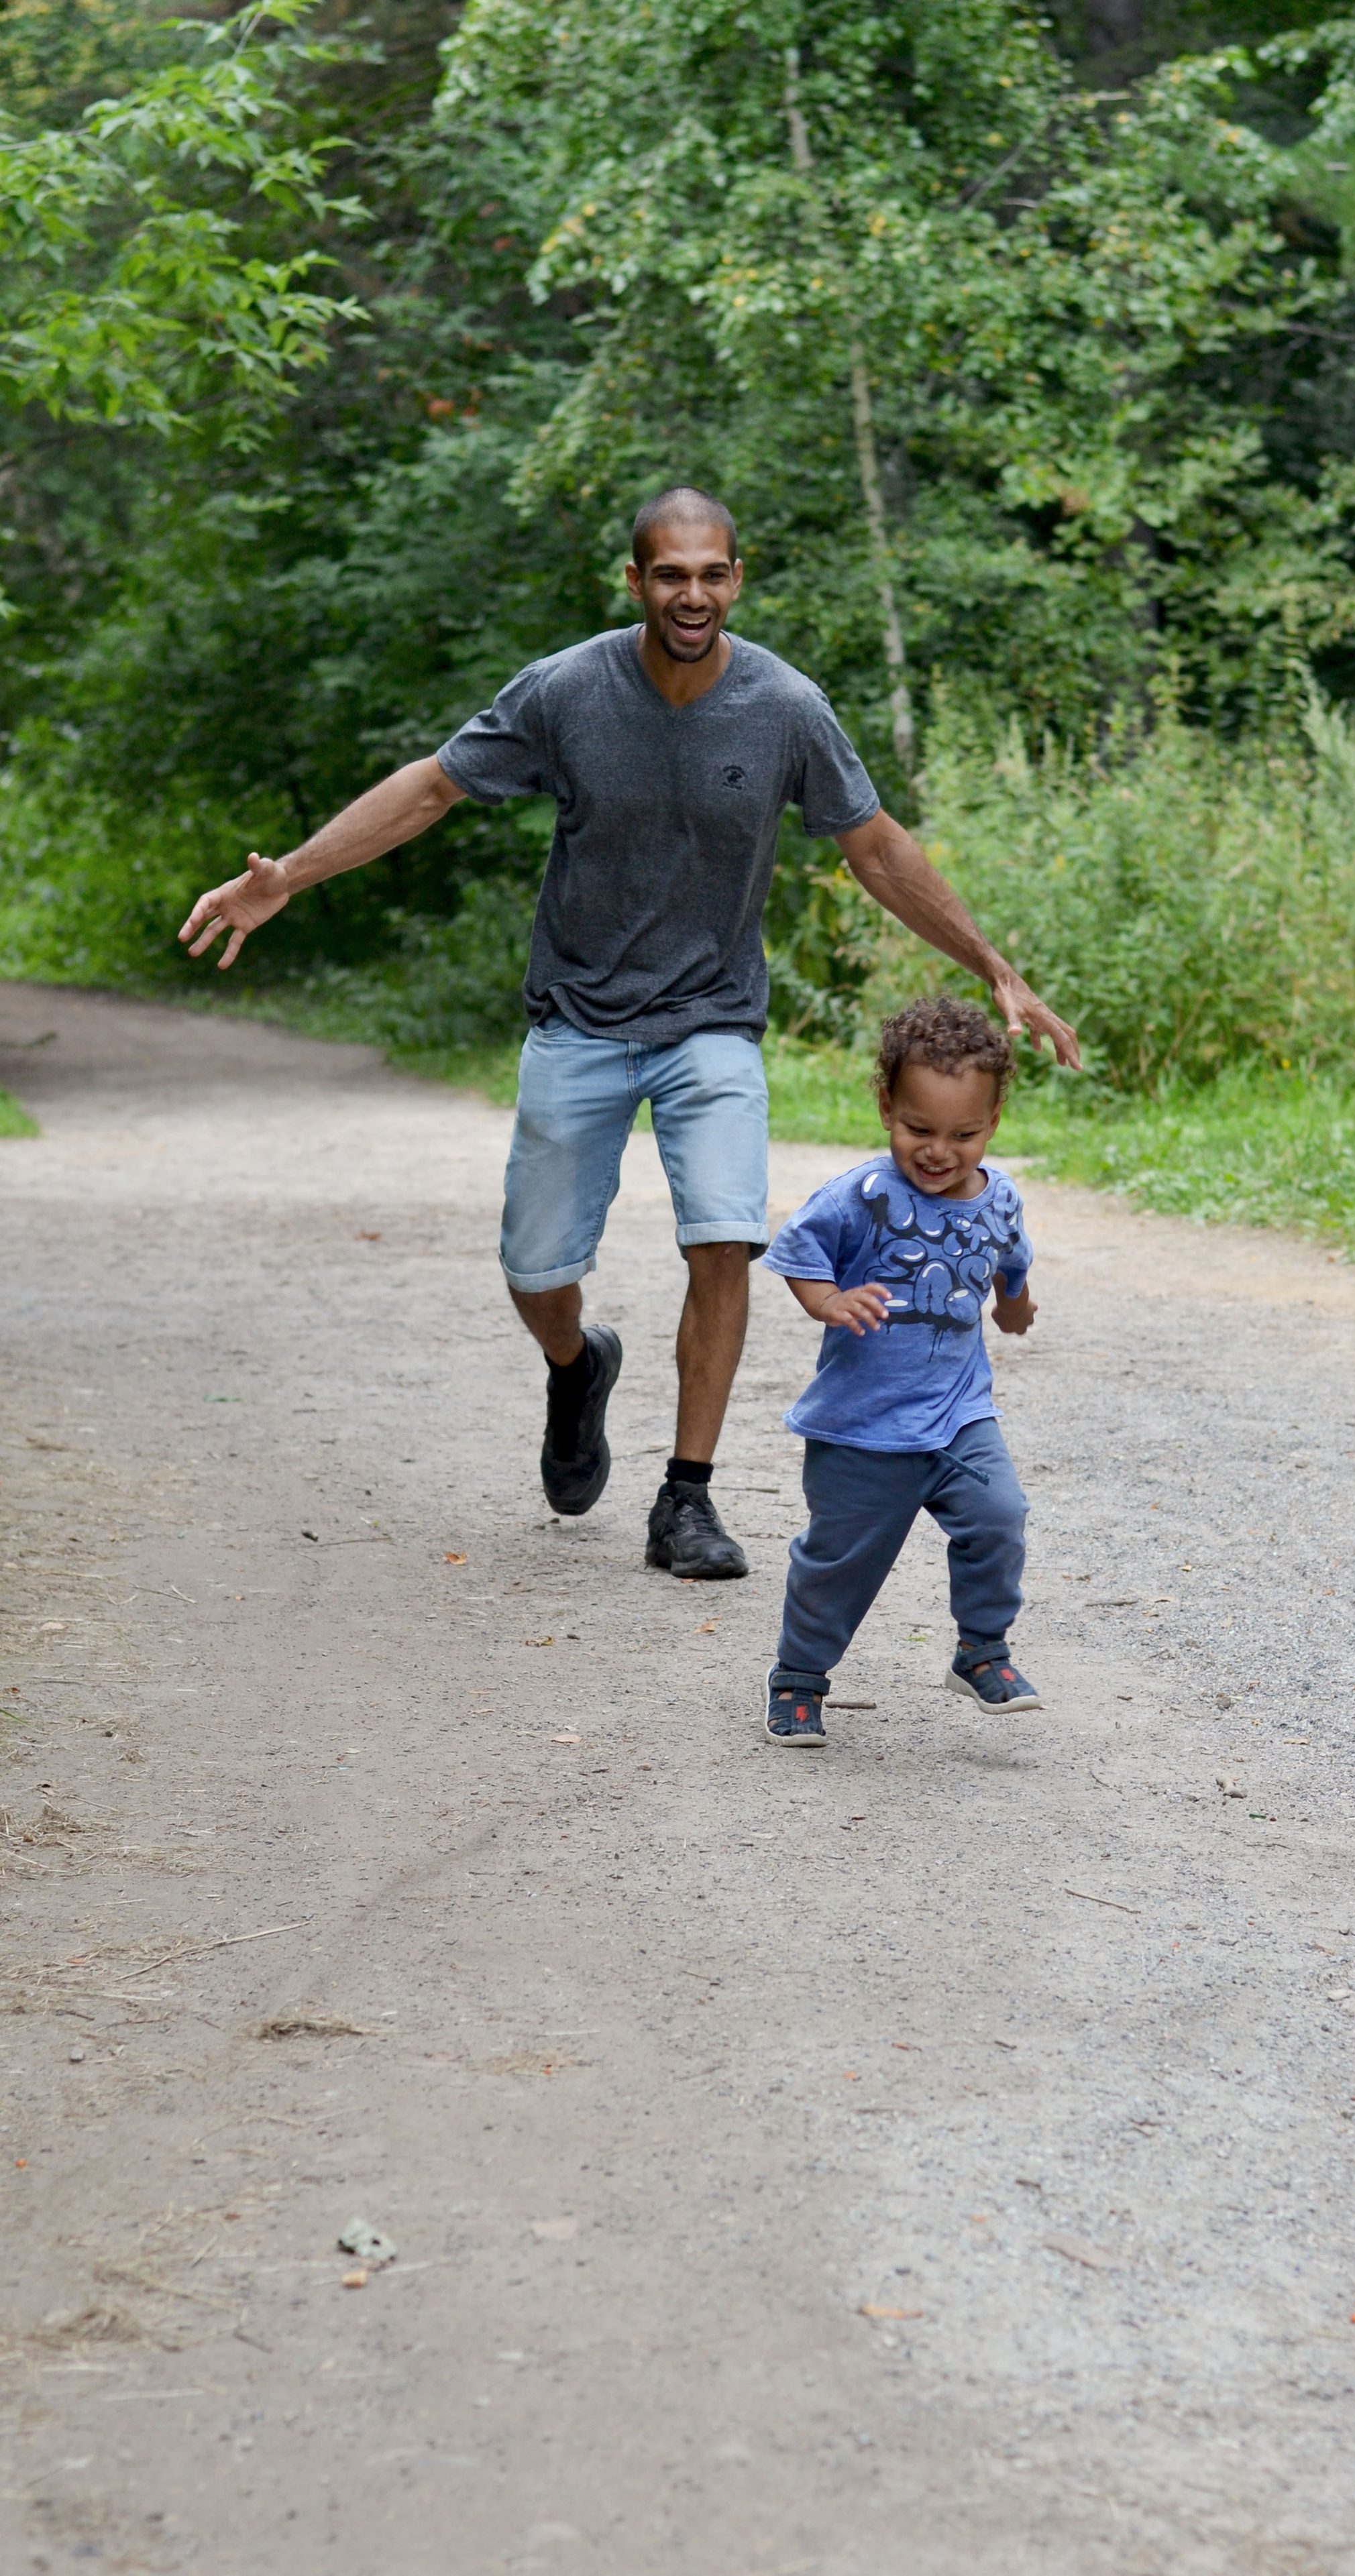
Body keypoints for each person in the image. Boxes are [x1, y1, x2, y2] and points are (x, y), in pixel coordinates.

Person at [177, 487, 1078, 1579]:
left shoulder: (786, 707)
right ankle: (575, 1366)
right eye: (669, 574)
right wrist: (295, 877)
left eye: (711, 574)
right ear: (637, 581)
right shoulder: (567, 692)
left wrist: (995, 967)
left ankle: (685, 1499)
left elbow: (877, 847)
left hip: (713, 1022)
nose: (690, 593)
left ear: (736, 580)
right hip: (581, 1018)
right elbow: (430, 789)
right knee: (534, 1267)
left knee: (725, 1238)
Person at [760, 996, 1040, 1747]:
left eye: (964, 1133)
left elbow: (1010, 1264)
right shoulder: (861, 1197)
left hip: (957, 1418)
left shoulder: (1000, 1196)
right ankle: (798, 1678)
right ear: (887, 1105)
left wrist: (1014, 1306)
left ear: (994, 1120)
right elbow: (798, 1252)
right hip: (861, 1429)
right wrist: (829, 1301)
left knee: (998, 1516)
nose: (939, 1151)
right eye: (918, 1129)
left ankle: (981, 1648)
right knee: (838, 1564)